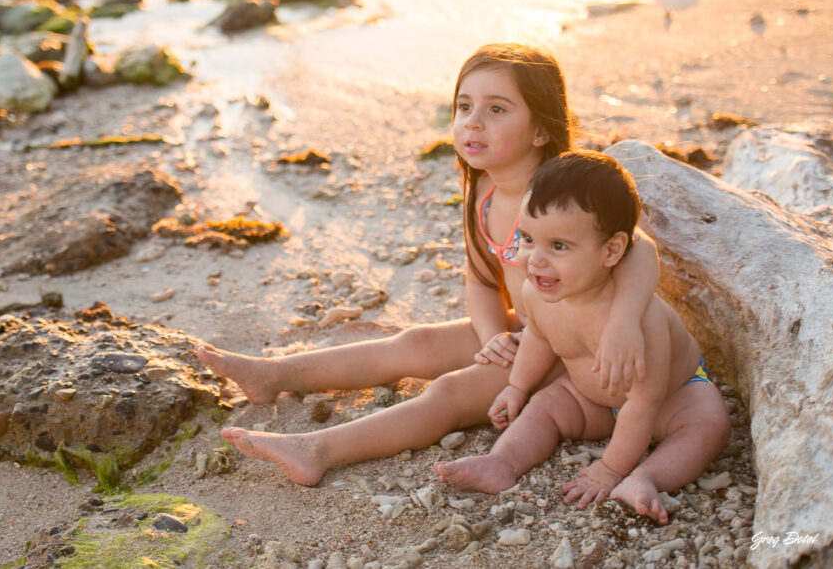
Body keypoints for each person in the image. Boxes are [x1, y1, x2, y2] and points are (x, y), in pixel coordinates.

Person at [195, 44, 659, 486]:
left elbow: (639, 250)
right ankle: (272, 375)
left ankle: (317, 450)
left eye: (497, 109)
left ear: (540, 129)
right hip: (531, 329)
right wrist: (491, 336)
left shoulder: (561, 194)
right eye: (464, 107)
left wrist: (622, 324)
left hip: (575, 350)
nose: (473, 123)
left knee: (450, 393)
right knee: (415, 343)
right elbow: (480, 279)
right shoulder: (485, 191)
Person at [434, 151, 731, 524]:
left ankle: (646, 477)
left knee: (709, 424)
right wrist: (517, 387)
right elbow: (538, 340)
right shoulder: (536, 294)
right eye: (527, 239)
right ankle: (501, 462)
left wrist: (610, 468)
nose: (536, 260)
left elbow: (642, 402)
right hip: (593, 399)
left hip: (671, 398)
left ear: (611, 251)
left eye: (558, 246)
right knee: (545, 405)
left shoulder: (642, 321)